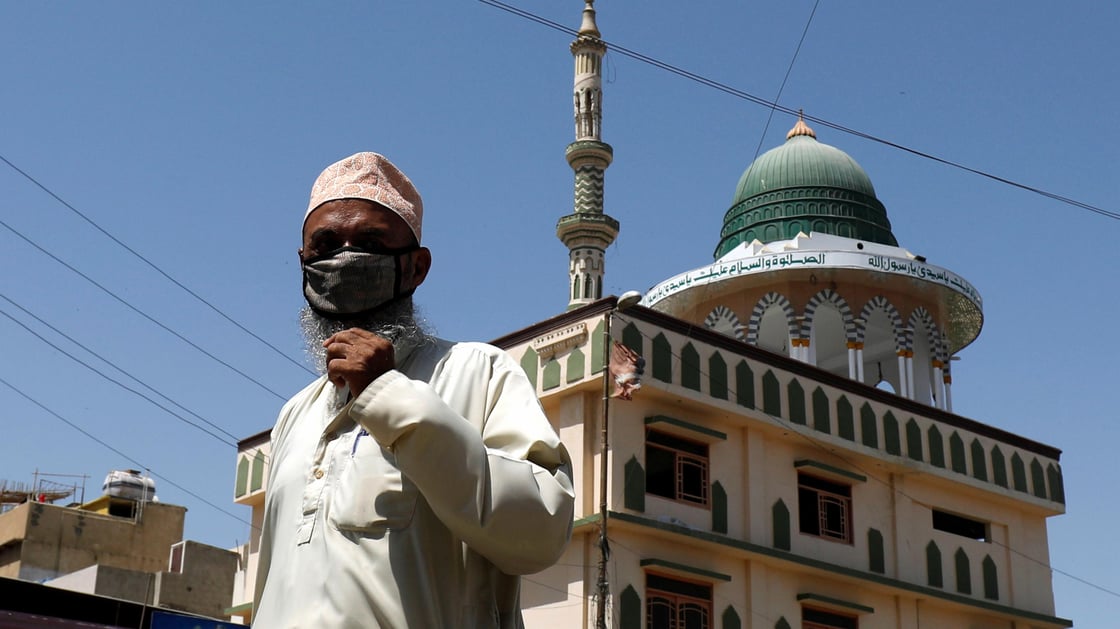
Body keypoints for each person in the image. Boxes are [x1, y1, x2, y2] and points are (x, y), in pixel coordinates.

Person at [253, 152, 575, 628]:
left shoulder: (476, 372)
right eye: (325, 244)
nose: (345, 257)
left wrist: (389, 396)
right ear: (303, 263)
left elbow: (542, 531)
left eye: (370, 241)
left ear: (417, 267)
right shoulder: (295, 415)